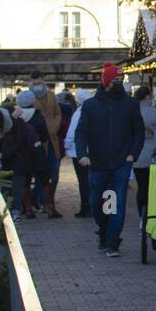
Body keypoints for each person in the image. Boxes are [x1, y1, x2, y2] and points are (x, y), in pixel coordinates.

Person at [75, 63, 144, 257]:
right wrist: (82, 154)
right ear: (105, 81)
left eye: (121, 80)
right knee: (98, 201)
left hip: (121, 163)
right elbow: (81, 132)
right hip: (97, 163)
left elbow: (138, 131)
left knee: (116, 201)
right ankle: (104, 230)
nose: (118, 83)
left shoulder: (130, 104)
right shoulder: (90, 105)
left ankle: (112, 240)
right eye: (115, 80)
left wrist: (132, 154)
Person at [0, 107, 47, 221]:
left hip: (19, 162)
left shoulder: (18, 124)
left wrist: (3, 154)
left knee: (17, 188)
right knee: (5, 188)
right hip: (4, 162)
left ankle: (15, 212)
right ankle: (5, 212)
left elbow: (19, 146)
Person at [29, 72, 63, 217]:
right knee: (41, 175)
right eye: (34, 83)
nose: (37, 86)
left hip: (52, 140)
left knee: (54, 173)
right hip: (39, 142)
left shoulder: (51, 95)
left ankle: (50, 201)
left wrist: (54, 126)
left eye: (39, 82)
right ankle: (44, 203)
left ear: (43, 81)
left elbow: (58, 113)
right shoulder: (29, 97)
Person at [15, 90, 52, 218]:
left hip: (22, 154)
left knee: (25, 181)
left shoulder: (16, 116)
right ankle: (50, 207)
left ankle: (28, 208)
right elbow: (45, 136)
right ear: (32, 101)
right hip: (38, 152)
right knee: (44, 180)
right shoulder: (38, 116)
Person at [132, 84, 156, 217]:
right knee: (154, 186)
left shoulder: (132, 113)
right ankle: (153, 213)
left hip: (137, 154)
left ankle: (141, 215)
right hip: (154, 153)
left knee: (141, 187)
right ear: (147, 97)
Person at [64, 89, 93, 217]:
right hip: (94, 151)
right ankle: (99, 207)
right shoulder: (96, 110)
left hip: (78, 153)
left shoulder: (79, 112)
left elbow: (72, 132)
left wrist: (66, 145)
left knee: (83, 181)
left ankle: (85, 207)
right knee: (94, 180)